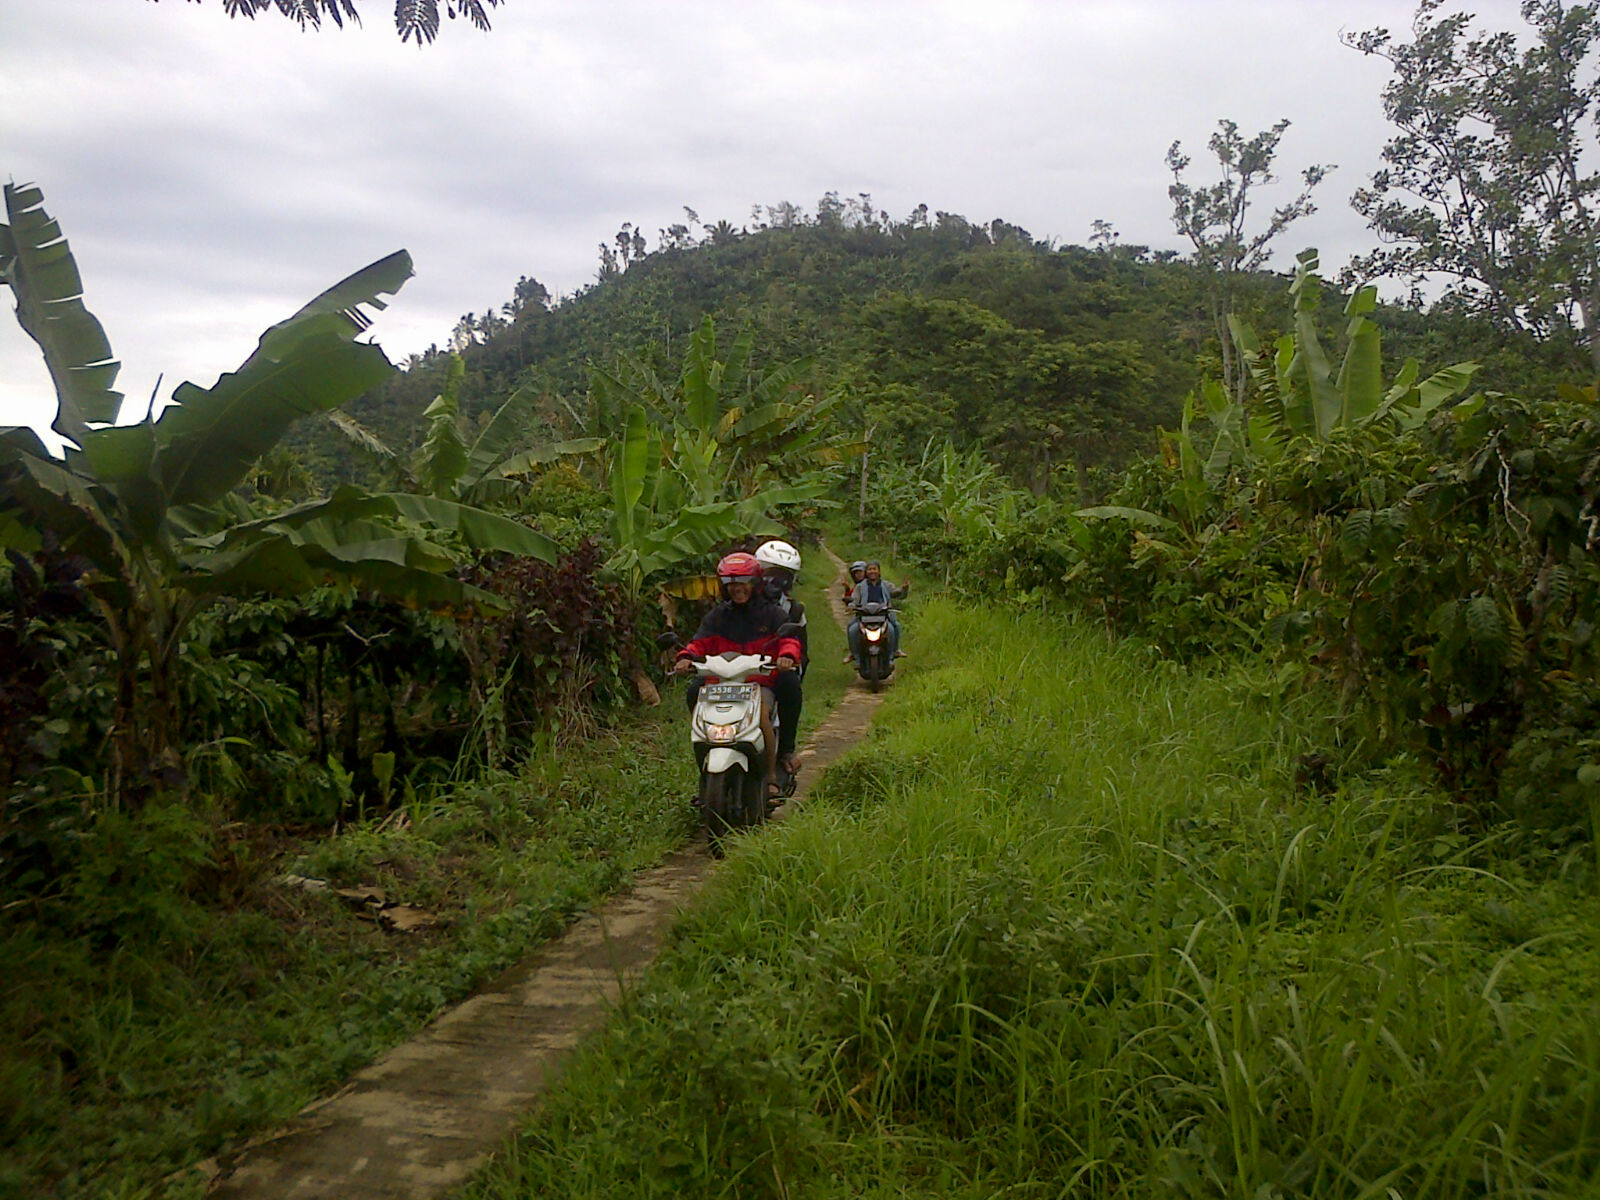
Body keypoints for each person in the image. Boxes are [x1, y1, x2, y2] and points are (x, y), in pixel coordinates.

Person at [671, 551, 803, 797]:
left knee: (769, 707)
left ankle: (773, 772)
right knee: (693, 692)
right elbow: (699, 642)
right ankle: (705, 768)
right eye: (730, 583)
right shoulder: (718, 616)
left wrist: (787, 656)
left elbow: (789, 640)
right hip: (720, 682)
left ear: (755, 583)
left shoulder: (772, 614)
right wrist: (685, 657)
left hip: (759, 681)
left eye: (742, 582)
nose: (737, 589)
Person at [754, 539, 808, 676]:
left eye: (781, 576)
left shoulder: (794, 610)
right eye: (770, 574)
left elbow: (802, 651)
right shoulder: (742, 603)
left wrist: (790, 661)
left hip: (778, 670)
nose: (774, 581)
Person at [847, 560, 910, 665]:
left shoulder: (886, 585)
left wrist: (904, 589)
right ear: (866, 572)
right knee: (852, 629)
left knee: (894, 628)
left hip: (883, 615)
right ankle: (855, 656)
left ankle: (893, 653)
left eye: (874, 569)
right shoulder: (860, 587)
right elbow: (854, 599)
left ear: (879, 572)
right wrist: (851, 606)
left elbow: (897, 594)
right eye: (870, 569)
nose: (872, 572)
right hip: (864, 615)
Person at [840, 561, 867, 660]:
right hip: (862, 617)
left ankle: (893, 650)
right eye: (856, 573)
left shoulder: (876, 584)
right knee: (851, 629)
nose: (858, 575)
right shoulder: (857, 588)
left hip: (878, 615)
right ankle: (853, 653)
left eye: (860, 572)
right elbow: (850, 599)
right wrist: (847, 590)